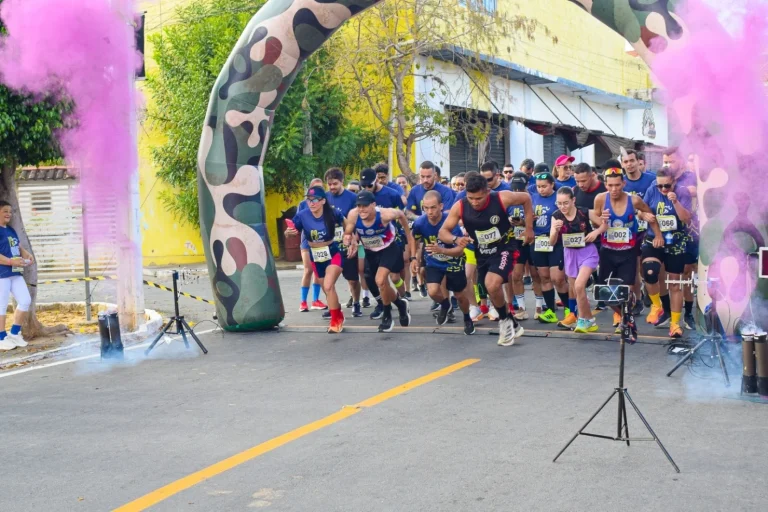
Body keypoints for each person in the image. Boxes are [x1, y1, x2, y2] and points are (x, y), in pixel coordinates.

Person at [439, 171, 534, 346]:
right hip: (482, 251)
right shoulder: (460, 206)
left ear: (487, 191)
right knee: (490, 289)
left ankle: (504, 323)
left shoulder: (501, 198)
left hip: (504, 246)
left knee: (493, 284)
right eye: (471, 198)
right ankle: (510, 320)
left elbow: (526, 199)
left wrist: (529, 228)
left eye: (479, 198)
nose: (475, 202)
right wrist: (455, 239)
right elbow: (443, 232)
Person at [593, 167, 663, 341]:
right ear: (605, 185)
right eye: (610, 185)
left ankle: (625, 318)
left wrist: (658, 235)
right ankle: (624, 316)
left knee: (626, 289)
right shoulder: (600, 199)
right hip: (607, 251)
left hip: (628, 252)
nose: (614, 189)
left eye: (617, 185)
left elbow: (650, 216)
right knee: (605, 293)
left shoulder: (634, 200)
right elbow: (594, 220)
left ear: (624, 183)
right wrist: (601, 220)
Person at [345, 191, 416, 332]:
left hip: (389, 249)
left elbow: (405, 223)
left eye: (365, 206)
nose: (361, 209)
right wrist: (350, 240)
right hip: (370, 251)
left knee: (380, 280)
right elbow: (349, 231)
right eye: (359, 206)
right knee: (380, 283)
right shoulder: (353, 214)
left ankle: (387, 314)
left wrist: (413, 256)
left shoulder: (386, 214)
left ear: (373, 205)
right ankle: (400, 304)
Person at [411, 190, 476, 335]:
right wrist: (414, 259)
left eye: (433, 207)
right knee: (433, 291)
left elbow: (460, 250)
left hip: (454, 261)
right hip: (434, 262)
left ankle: (467, 318)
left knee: (460, 295)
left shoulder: (450, 222)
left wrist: (441, 250)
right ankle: (445, 305)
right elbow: (413, 240)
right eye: (426, 208)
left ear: (441, 206)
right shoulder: (420, 223)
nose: (429, 212)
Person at [289, 186, 350, 333]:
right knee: (326, 289)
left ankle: (335, 321)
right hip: (315, 255)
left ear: (323, 201)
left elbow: (347, 223)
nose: (312, 203)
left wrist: (349, 236)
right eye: (309, 200)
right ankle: (338, 314)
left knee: (329, 286)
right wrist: (288, 233)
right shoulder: (302, 215)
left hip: (332, 252)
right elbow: (293, 230)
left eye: (315, 200)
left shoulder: (333, 212)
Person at [641, 168, 693, 338]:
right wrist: (644, 216)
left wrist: (676, 202)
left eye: (667, 186)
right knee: (649, 272)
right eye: (660, 186)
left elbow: (686, 218)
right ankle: (657, 306)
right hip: (654, 239)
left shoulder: (682, 192)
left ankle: (675, 323)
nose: (663, 189)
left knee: (675, 285)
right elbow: (641, 209)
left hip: (675, 242)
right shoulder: (652, 189)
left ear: (674, 182)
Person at [549, 187, 606, 333]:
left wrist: (596, 232)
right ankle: (589, 320)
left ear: (573, 200)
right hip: (570, 254)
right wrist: (555, 230)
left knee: (580, 285)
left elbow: (605, 225)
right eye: (559, 203)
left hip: (587, 252)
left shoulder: (585, 212)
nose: (562, 207)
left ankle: (582, 319)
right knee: (575, 289)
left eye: (566, 203)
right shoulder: (556, 216)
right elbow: (551, 242)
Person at [359, 167, 409, 310]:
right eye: (364, 186)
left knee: (394, 276)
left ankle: (402, 297)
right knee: (372, 276)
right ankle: (382, 304)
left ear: (376, 180)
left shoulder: (391, 194)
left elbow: (401, 216)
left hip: (391, 240)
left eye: (369, 185)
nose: (367, 189)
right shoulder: (361, 197)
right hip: (370, 243)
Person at [663, 147, 698, 330]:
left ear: (682, 162)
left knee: (688, 271)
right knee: (668, 273)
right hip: (668, 232)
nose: (667, 165)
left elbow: (697, 194)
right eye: (665, 161)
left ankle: (689, 313)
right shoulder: (663, 178)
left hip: (690, 231)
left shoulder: (691, 177)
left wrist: (694, 190)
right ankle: (667, 312)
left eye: (671, 161)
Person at [530, 172, 571, 325]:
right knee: (544, 277)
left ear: (552, 184)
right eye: (539, 186)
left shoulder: (558, 198)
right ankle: (550, 311)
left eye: (544, 186)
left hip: (556, 241)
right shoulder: (532, 197)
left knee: (558, 278)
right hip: (538, 241)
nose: (541, 189)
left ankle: (569, 309)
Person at [620, 150, 657, 316]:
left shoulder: (651, 180)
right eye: (625, 161)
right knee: (634, 268)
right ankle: (637, 299)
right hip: (629, 231)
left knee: (648, 266)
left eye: (632, 160)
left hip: (649, 228)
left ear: (638, 161)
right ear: (622, 164)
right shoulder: (621, 183)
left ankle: (651, 291)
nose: (629, 164)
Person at [325, 167, 364, 318]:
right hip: (330, 246)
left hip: (348, 244)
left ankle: (356, 302)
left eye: (335, 183)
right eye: (329, 184)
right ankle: (332, 305)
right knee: (328, 279)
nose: (332, 187)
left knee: (353, 279)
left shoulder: (352, 198)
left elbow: (358, 220)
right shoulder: (325, 199)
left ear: (342, 182)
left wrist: (354, 240)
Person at [0, 201, 32, 351]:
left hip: (15, 271)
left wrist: (25, 253)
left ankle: (14, 333)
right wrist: (10, 261)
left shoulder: (10, 229)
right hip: (2, 274)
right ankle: (1, 338)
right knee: (1, 306)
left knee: (25, 300)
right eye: (5, 211)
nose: (8, 214)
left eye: (10, 212)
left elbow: (16, 245)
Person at [297, 178, 328, 313]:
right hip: (307, 241)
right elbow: (297, 222)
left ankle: (316, 300)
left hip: (321, 242)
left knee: (319, 271)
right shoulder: (303, 205)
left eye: (320, 189)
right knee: (308, 270)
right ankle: (303, 302)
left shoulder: (326, 205)